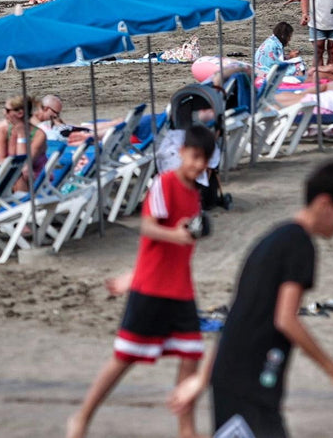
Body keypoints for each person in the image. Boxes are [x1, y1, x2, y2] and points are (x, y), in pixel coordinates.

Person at [168, 160, 333, 437]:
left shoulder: (274, 238)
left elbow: (239, 314)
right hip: (249, 381)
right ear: (325, 203)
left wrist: (203, 379)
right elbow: (286, 319)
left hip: (236, 375)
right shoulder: (299, 246)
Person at [66, 127, 216, 438]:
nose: (199, 164)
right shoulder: (165, 183)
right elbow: (147, 228)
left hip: (181, 288)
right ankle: (80, 419)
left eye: (205, 159)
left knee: (191, 355)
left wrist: (131, 275)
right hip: (152, 289)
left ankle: (186, 430)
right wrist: (173, 235)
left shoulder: (193, 195)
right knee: (123, 359)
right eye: (195, 156)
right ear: (183, 152)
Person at [0, 95, 49, 193]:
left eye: (7, 110)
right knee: (16, 173)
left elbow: (24, 163)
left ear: (20, 113)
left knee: (21, 172)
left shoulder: (39, 135)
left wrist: (21, 135)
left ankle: (21, 204)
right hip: (11, 177)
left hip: (35, 180)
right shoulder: (3, 132)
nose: (4, 113)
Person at [296, 0, 333, 67]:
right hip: (316, 21)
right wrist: (304, 13)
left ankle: (330, 75)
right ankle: (317, 76)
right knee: (318, 50)